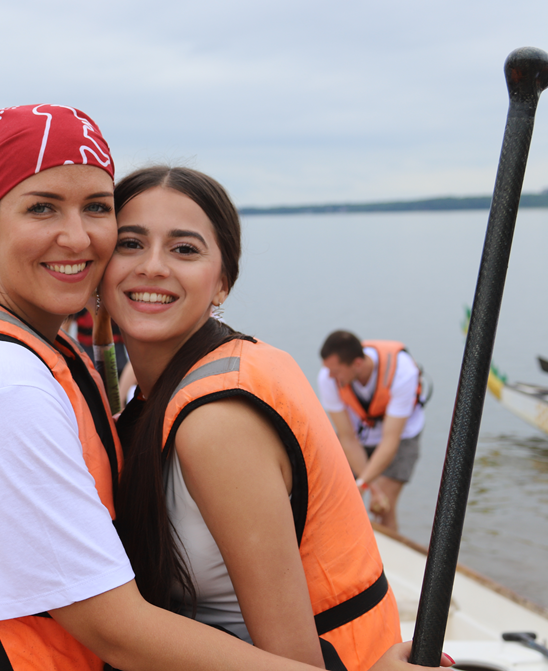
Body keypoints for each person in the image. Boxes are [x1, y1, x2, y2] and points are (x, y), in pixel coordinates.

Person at [0, 106, 446, 671]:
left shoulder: (196, 408)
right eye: (42, 208)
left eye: (95, 209)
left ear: (224, 282)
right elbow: (116, 627)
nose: (78, 238)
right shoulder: (0, 386)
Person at [102, 166, 402, 671]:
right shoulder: (186, 379)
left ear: (222, 283)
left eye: (184, 249)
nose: (152, 267)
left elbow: (294, 660)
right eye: (129, 244)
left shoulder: (217, 422)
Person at [318, 330, 425, 533]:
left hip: (400, 436)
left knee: (383, 505)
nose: (330, 376)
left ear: (357, 364)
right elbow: (347, 438)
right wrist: (368, 486)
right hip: (359, 437)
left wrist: (365, 485)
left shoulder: (402, 372)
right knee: (342, 500)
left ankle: (388, 550)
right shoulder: (327, 377)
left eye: (336, 371)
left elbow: (390, 441)